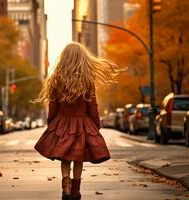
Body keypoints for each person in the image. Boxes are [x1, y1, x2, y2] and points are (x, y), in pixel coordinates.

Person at [34, 42, 122, 200]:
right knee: (78, 158)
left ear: (64, 59)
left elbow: (52, 107)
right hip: (82, 124)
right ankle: (76, 191)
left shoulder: (56, 80)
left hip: (62, 123)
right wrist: (96, 125)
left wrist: (51, 124)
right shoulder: (87, 81)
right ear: (82, 58)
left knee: (65, 158)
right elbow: (92, 106)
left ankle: (66, 188)